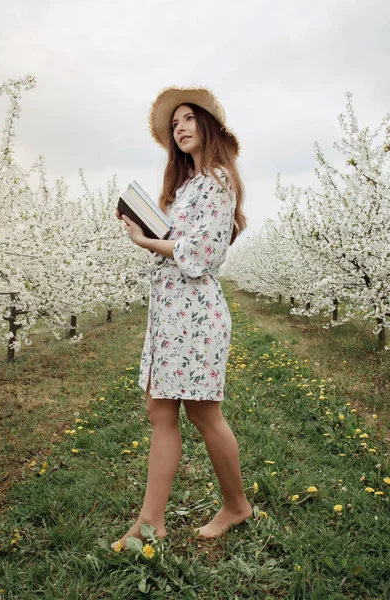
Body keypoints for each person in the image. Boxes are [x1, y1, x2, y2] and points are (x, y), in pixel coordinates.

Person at [111, 86, 250, 552]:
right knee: (160, 407)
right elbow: (179, 238)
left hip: (196, 313)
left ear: (207, 126)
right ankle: (152, 521)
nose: (181, 127)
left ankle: (236, 506)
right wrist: (146, 226)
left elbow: (202, 253)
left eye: (189, 118)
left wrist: (149, 242)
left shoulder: (215, 180)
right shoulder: (188, 186)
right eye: (175, 124)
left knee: (203, 412)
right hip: (172, 313)